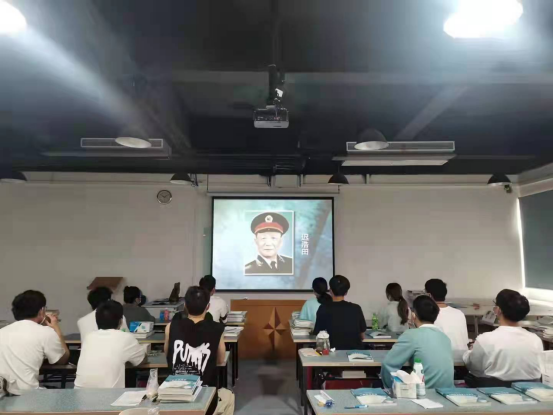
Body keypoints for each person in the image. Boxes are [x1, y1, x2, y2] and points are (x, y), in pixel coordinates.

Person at [164, 286, 234, 415]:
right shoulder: (217, 329)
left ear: (185, 306)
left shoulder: (171, 327)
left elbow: (167, 354)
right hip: (205, 397)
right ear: (208, 307)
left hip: (174, 394)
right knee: (229, 396)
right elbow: (220, 360)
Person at [463, 289, 543, 387]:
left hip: (493, 391)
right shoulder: (535, 340)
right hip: (530, 391)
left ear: (497, 310)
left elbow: (474, 368)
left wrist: (469, 352)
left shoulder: (485, 339)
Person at [0, 290, 70, 395]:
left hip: (3, 393)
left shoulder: (2, 331)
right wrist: (56, 329)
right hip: (27, 394)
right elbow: (62, 360)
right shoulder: (46, 332)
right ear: (42, 311)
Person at [381, 295, 454, 389]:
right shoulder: (444, 337)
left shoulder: (411, 335)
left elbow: (388, 365)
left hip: (424, 393)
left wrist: (392, 388)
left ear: (413, 315)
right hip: (447, 392)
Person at [75, 300, 145, 388]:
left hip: (80, 393)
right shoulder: (125, 337)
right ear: (121, 321)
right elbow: (141, 361)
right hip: (110, 394)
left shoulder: (89, 337)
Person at [313, 275, 367, 350]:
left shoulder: (323, 308)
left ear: (330, 291)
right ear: (346, 292)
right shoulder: (356, 308)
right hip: (355, 353)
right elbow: (362, 336)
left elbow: (318, 334)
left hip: (332, 353)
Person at [425, 279, 469, 360]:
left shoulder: (428, 314)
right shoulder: (459, 313)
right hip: (462, 359)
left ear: (429, 295)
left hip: (441, 360)